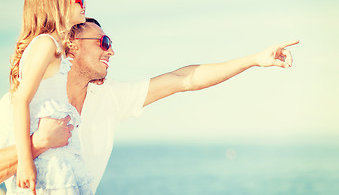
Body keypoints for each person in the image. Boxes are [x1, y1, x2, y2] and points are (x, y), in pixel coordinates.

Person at [0, 17, 299, 194]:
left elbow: (185, 78)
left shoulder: (110, 98)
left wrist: (254, 60)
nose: (112, 50)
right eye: (103, 41)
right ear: (73, 46)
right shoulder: (22, 99)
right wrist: (37, 144)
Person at [7, 0, 93, 194]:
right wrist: (25, 162)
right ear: (57, 2)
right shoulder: (45, 44)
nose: (84, 4)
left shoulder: (54, 46)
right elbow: (20, 101)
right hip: (49, 163)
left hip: (59, 156)